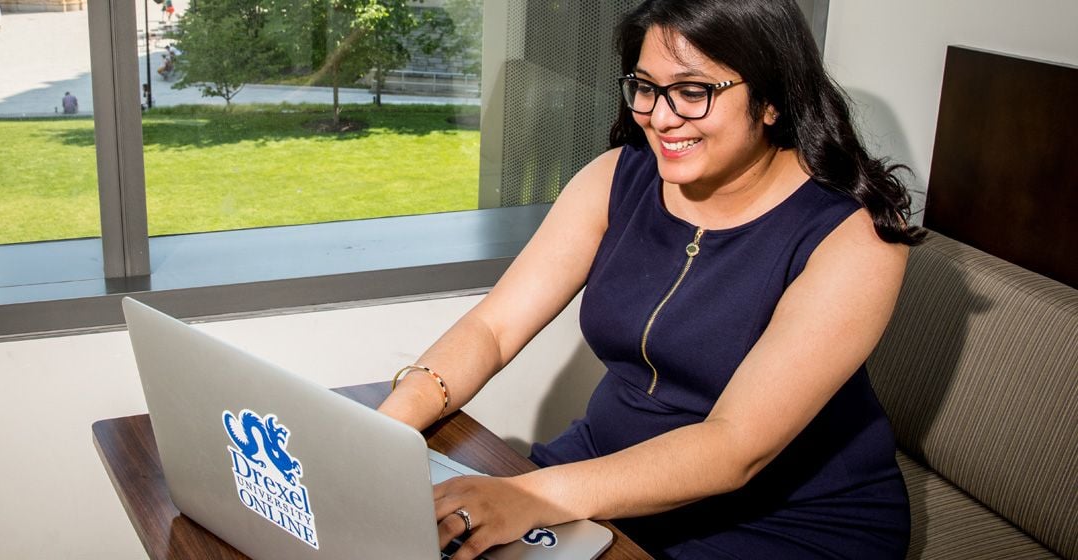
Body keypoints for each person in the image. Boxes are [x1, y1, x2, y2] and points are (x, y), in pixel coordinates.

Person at [376, 1, 923, 558]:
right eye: (645, 87)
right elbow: (494, 328)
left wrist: (530, 494)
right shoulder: (619, 175)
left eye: (692, 91)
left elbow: (734, 447)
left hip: (782, 521)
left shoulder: (854, 235)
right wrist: (386, 430)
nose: (660, 117)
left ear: (773, 99)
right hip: (602, 472)